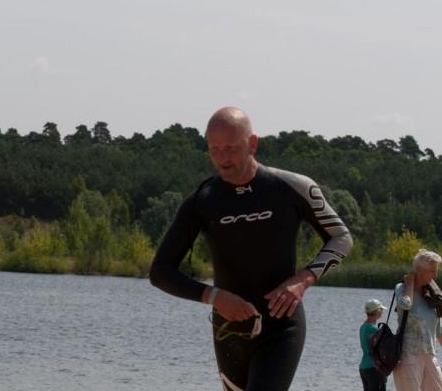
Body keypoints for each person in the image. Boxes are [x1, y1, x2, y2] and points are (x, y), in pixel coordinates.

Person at [149, 106, 353, 391]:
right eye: (214, 150)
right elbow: (160, 272)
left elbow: (341, 238)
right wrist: (213, 296)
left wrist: (302, 280)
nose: (222, 158)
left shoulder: (292, 187)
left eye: (230, 148)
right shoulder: (201, 201)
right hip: (229, 331)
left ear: (253, 144)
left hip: (282, 326)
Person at [392, 249, 442, 390]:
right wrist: (409, 286)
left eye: (436, 271)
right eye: (432, 271)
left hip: (430, 355)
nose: (435, 276)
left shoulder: (432, 294)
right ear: (419, 270)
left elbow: (438, 329)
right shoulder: (402, 288)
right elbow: (405, 304)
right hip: (408, 355)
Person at [360, 298, 388, 390]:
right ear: (377, 311)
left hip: (364, 367)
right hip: (374, 368)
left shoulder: (363, 327)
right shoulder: (374, 329)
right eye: (381, 309)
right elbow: (381, 350)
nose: (382, 312)